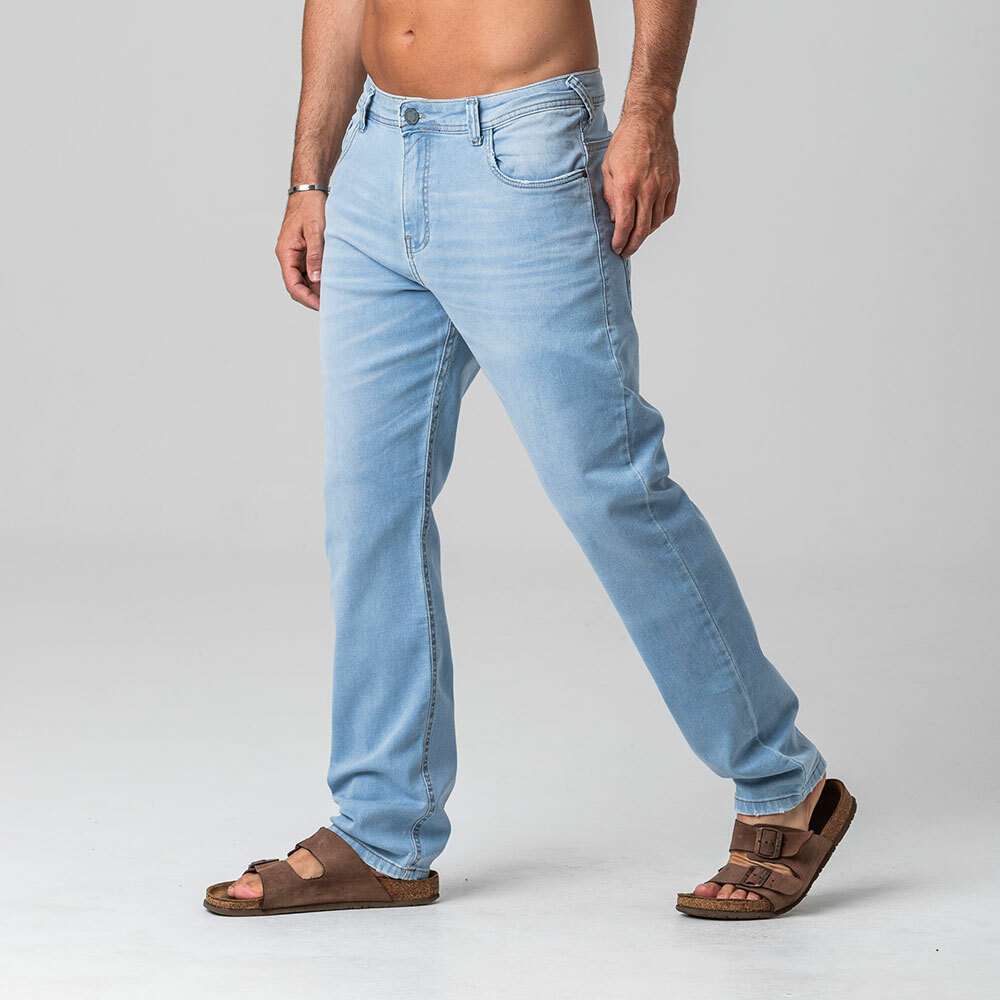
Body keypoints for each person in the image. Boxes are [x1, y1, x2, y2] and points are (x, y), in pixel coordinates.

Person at [203, 0, 855, 922]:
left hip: (523, 147)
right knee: (369, 506)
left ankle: (784, 785)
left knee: (609, 487)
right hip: (376, 156)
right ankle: (383, 831)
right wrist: (310, 177)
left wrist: (650, 111)